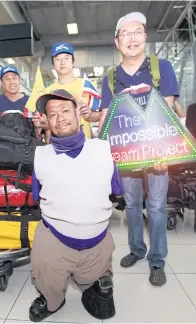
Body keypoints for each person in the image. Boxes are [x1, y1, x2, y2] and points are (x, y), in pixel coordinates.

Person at [99, 12, 180, 286]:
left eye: (137, 32)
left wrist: (163, 153)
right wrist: (103, 150)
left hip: (156, 152)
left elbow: (167, 112)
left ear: (145, 37)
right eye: (126, 34)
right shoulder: (110, 78)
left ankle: (157, 260)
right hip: (127, 153)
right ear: (117, 42)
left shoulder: (161, 68)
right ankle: (136, 249)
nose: (132, 38)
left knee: (156, 206)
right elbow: (108, 117)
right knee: (132, 204)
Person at [29, 89, 124, 322]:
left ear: (78, 113)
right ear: (47, 121)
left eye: (65, 110)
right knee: (51, 296)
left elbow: (120, 193)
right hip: (56, 241)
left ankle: (93, 280)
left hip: (96, 242)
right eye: (52, 114)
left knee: (104, 307)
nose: (59, 117)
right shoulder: (40, 156)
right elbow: (36, 199)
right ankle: (53, 298)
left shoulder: (103, 149)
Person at [32, 42, 101, 139]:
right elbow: (46, 123)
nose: (62, 62)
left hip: (84, 143)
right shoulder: (46, 93)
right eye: (58, 59)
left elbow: (101, 114)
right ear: (53, 63)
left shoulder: (85, 85)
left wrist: (89, 115)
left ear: (73, 62)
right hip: (57, 145)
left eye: (66, 58)